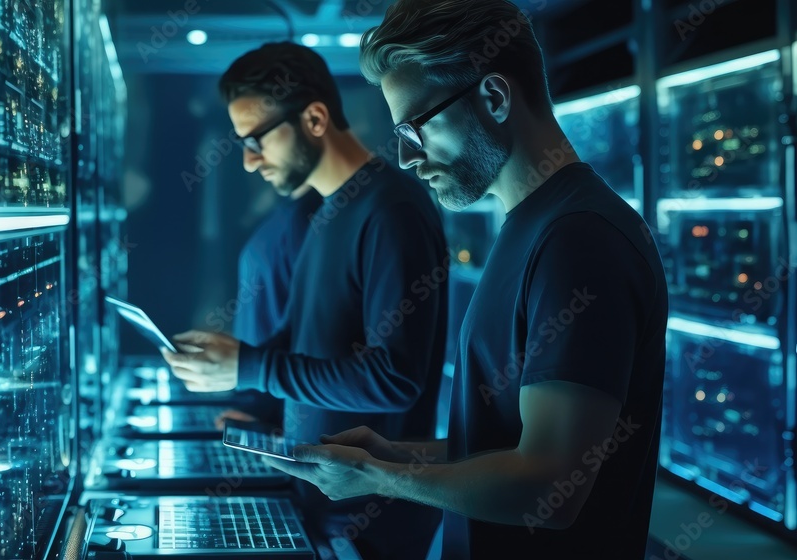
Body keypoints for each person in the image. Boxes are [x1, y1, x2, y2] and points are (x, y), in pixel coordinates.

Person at [260, 2, 670, 560]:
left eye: (414, 128)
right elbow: (504, 447)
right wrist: (394, 456)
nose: (407, 158)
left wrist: (380, 480)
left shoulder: (579, 239)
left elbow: (548, 486)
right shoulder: (530, 228)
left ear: (496, 98)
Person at [161, 41, 448, 560]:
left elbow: (396, 379)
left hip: (366, 525)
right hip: (320, 505)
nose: (249, 163)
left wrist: (251, 366)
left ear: (314, 118)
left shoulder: (391, 209)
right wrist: (255, 401)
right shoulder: (326, 213)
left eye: (257, 141)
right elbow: (310, 344)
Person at [216, 181, 322, 429]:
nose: (251, 163)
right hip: (261, 399)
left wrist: (271, 417)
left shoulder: (309, 217)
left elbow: (307, 333)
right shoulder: (286, 210)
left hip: (279, 407)